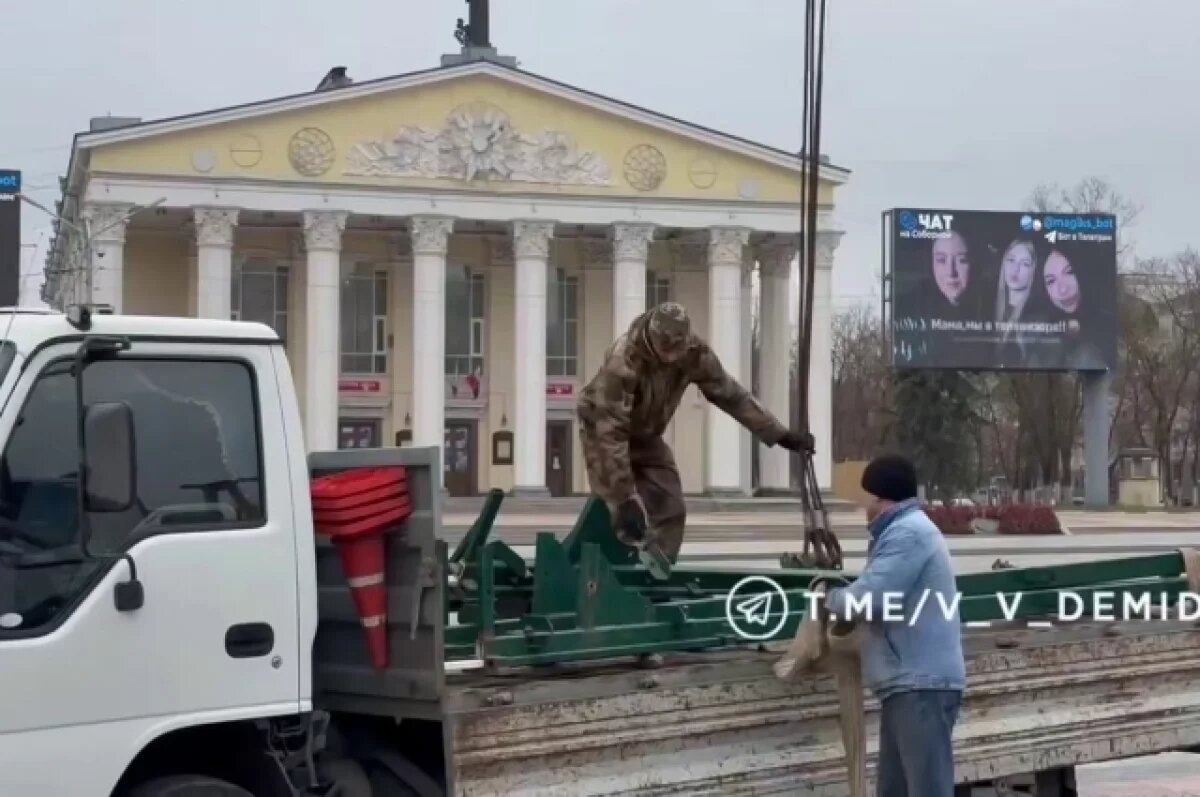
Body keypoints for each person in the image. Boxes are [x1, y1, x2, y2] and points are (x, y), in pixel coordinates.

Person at [576, 301, 813, 564]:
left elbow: (730, 394)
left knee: (671, 508)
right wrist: (624, 497)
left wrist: (779, 434)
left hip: (647, 434)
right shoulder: (624, 360)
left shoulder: (693, 353)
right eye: (664, 350)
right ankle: (599, 575)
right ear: (652, 339)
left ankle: (656, 573)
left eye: (675, 350)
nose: (670, 357)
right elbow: (610, 434)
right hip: (602, 431)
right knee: (617, 513)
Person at [821, 454, 965, 797]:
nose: (865, 506)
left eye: (869, 497)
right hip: (909, 682)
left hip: (920, 683)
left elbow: (869, 598)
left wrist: (827, 597)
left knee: (926, 790)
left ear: (883, 499)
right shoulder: (905, 531)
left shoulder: (908, 534)